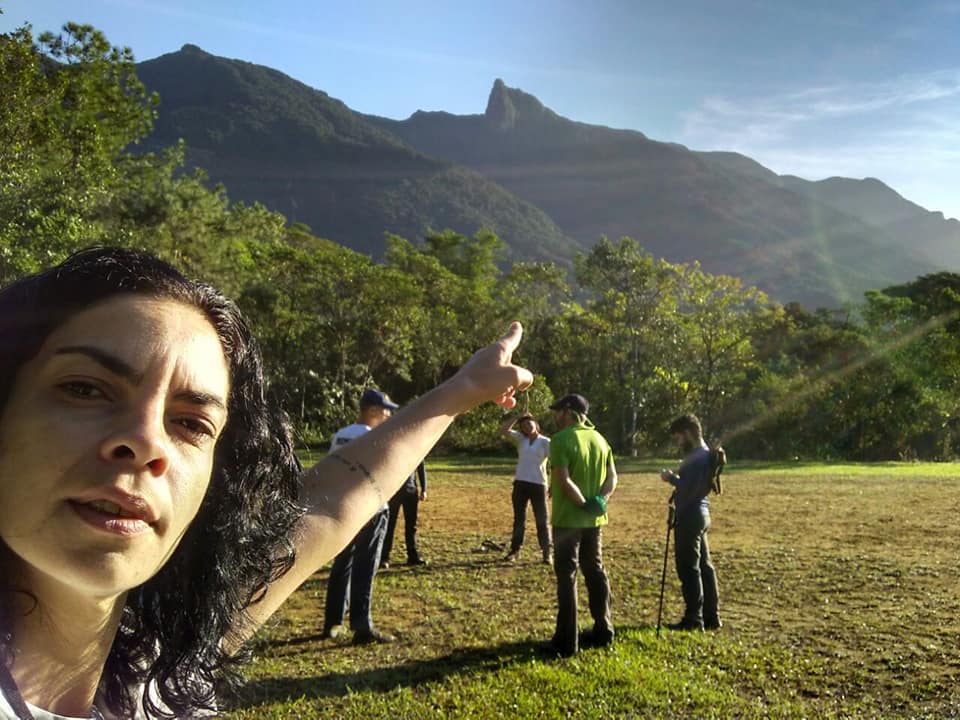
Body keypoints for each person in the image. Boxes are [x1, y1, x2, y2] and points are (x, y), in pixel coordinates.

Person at [0, 247, 533, 720]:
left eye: (190, 423)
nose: (146, 442)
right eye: (84, 389)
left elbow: (330, 505)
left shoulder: (163, 672)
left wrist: (463, 391)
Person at [321, 389, 399, 644]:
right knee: (366, 567)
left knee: (342, 565)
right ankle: (362, 626)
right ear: (373, 410)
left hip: (344, 509)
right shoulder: (377, 435)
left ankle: (333, 621)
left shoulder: (341, 434)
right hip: (372, 510)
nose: (389, 413)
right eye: (386, 409)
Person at [541, 394, 617, 657]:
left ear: (568, 412)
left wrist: (583, 503)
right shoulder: (600, 439)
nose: (554, 416)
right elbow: (612, 478)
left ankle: (566, 641)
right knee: (595, 571)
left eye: (557, 411)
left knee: (567, 576)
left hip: (568, 520)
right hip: (594, 520)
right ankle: (604, 628)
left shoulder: (561, 440)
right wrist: (600, 501)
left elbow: (563, 480)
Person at [659, 413, 721, 632]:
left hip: (690, 515)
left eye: (678, 438)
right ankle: (711, 615)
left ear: (688, 433)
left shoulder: (697, 457)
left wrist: (670, 478)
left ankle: (693, 618)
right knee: (705, 566)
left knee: (689, 568)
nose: (678, 443)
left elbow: (687, 487)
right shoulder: (706, 454)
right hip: (702, 514)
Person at [499, 413, 552, 563]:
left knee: (542, 520)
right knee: (519, 519)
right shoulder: (521, 439)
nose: (527, 427)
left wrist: (553, 485)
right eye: (523, 426)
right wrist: (517, 416)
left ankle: (546, 552)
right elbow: (503, 430)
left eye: (529, 424)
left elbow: (555, 464)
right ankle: (515, 551)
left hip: (538, 484)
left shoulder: (545, 442)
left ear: (536, 424)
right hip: (520, 483)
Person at [381, 461, 427, 568]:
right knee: (389, 525)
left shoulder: (416, 449)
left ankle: (412, 556)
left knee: (411, 526)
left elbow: (421, 467)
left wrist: (424, 488)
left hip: (411, 491)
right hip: (393, 492)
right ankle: (384, 557)